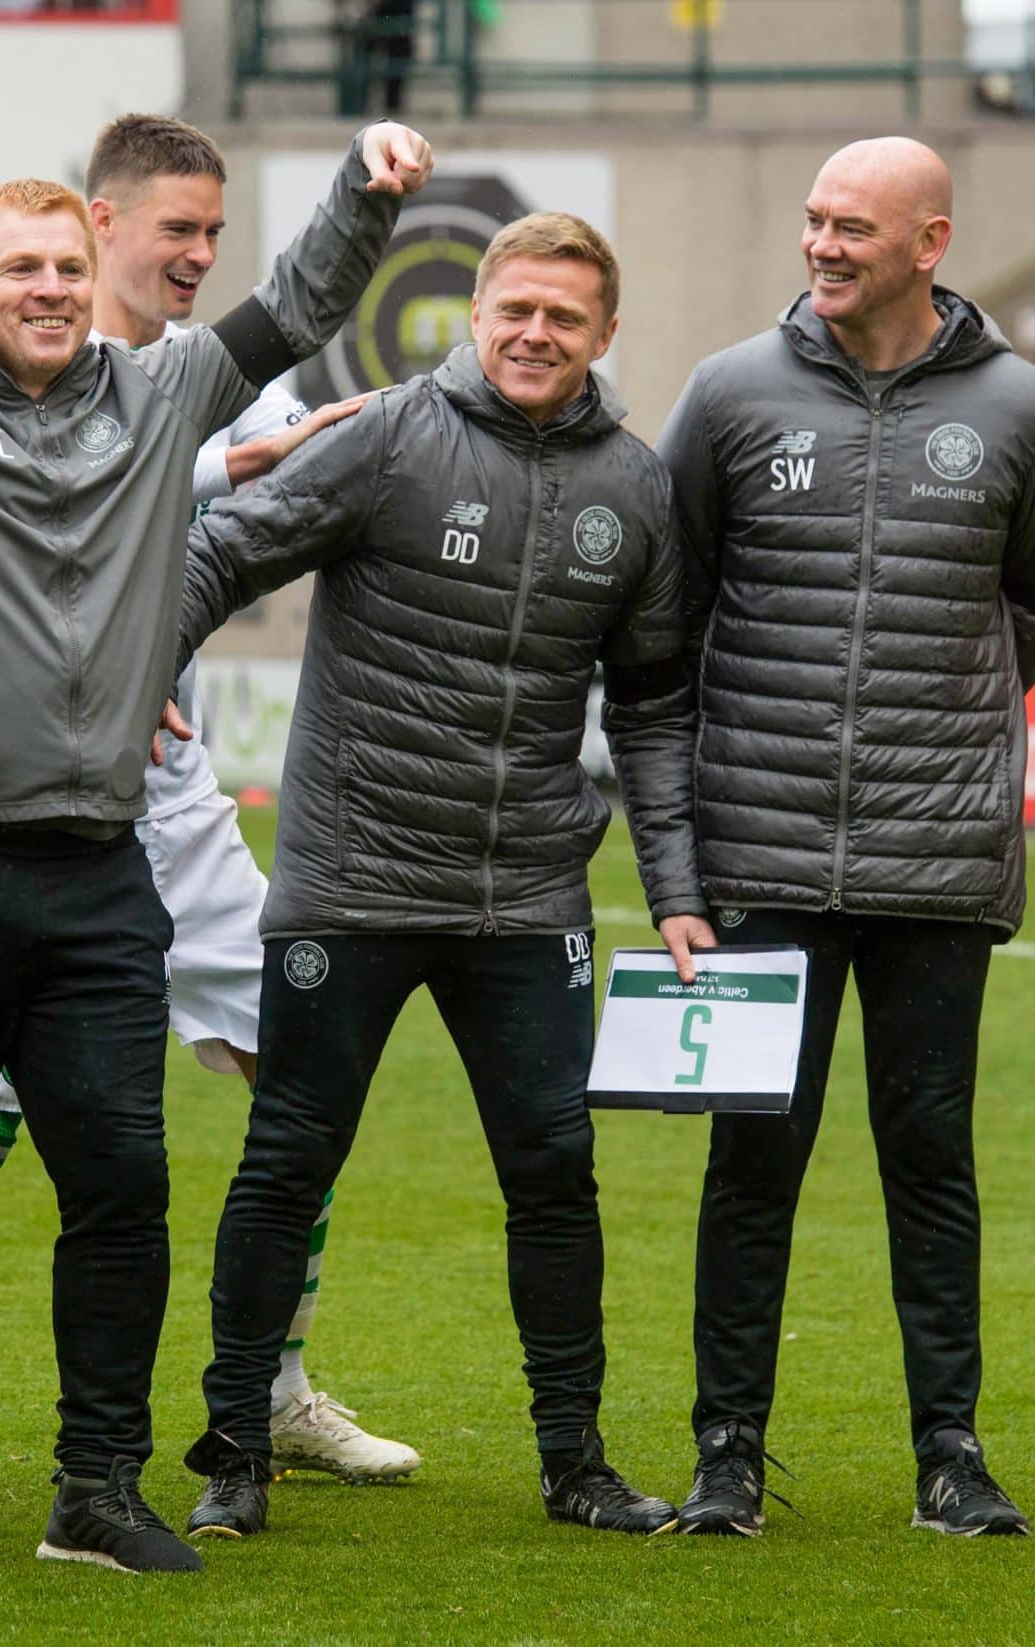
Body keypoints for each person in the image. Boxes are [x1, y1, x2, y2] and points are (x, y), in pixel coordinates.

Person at [0, 110, 432, 1575]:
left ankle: (97, 1490)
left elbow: (296, 304)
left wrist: (366, 190)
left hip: (99, 867)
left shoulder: (167, 388)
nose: (51, 288)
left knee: (121, 1184)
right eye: (19, 268)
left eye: (66, 265)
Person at [171, 211, 713, 1543]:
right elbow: (217, 551)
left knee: (555, 1170)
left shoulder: (636, 487)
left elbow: (652, 708)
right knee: (289, 1156)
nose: (535, 333)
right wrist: (137, 678)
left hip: (526, 892)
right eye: (514, 308)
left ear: (605, 333)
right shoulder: (390, 436)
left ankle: (575, 1462)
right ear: (475, 314)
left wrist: (677, 886)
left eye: (564, 316)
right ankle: (236, 1449)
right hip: (351, 874)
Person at [0, 114, 421, 1515]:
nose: (201, 255)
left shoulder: (232, 389)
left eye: (215, 233)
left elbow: (283, 501)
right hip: (18, 810)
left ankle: (271, 1389)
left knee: (302, 1068)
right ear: (99, 223)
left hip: (169, 806)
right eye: (178, 230)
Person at [658, 137, 1035, 1539]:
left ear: (928, 242)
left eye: (851, 225)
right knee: (752, 1162)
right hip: (761, 848)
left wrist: (937, 727)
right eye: (812, 220)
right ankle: (727, 1450)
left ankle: (950, 1454)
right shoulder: (728, 392)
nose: (822, 245)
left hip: (937, 857)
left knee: (929, 1155)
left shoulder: (1025, 409)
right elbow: (674, 606)